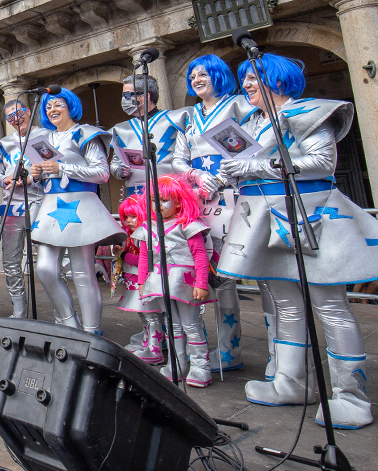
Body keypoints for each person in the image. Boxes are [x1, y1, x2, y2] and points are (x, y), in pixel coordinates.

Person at [216, 53, 376, 429]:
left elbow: (322, 162)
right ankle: (291, 383)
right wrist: (230, 173)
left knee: (330, 306)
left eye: (255, 77)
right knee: (285, 304)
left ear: (279, 78)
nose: (248, 85)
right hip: (261, 218)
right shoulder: (252, 122)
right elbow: (253, 167)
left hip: (311, 216)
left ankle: (351, 397)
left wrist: (252, 166)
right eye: (246, 80)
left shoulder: (308, 112)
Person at [171, 53, 262, 376]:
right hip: (201, 202)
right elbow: (178, 159)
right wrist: (196, 178)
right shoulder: (189, 115)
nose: (196, 79)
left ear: (219, 75)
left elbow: (254, 148)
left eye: (203, 73)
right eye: (192, 75)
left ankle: (281, 356)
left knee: (258, 271)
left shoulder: (239, 105)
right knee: (215, 275)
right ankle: (227, 347)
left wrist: (221, 178)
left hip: (238, 196)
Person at [29, 88, 124, 334]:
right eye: (48, 107)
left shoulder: (87, 133)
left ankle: (92, 332)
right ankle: (69, 322)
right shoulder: (44, 139)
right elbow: (45, 179)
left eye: (58, 104)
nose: (52, 110)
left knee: (82, 273)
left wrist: (62, 168)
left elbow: (102, 173)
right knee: (45, 268)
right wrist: (37, 175)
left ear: (70, 105)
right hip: (51, 207)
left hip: (81, 205)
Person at [136, 176, 214, 387]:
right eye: (153, 200)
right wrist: (142, 281)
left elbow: (200, 255)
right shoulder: (147, 227)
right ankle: (176, 364)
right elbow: (144, 256)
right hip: (160, 281)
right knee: (172, 325)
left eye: (163, 200)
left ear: (178, 201)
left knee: (191, 324)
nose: (157, 205)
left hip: (185, 281)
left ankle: (200, 367)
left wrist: (202, 283)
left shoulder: (188, 225)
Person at [0, 98, 45, 318]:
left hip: (41, 201)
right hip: (12, 205)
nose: (16, 120)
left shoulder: (45, 136)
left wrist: (30, 180)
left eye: (19, 114)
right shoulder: (5, 142)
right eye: (10, 118)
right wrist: (6, 179)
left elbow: (54, 168)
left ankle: (65, 314)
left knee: (48, 259)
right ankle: (19, 310)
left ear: (28, 112)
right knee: (10, 261)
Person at [109, 74, 189, 198]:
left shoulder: (175, 119)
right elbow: (115, 163)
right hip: (136, 194)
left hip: (170, 192)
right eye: (124, 95)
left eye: (128, 95)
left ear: (145, 96)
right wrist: (119, 170)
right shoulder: (119, 129)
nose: (125, 100)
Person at [113, 194, 166, 365]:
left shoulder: (142, 236)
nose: (128, 220)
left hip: (142, 282)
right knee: (145, 317)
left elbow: (143, 260)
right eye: (126, 217)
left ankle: (154, 348)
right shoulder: (133, 235)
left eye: (133, 216)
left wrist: (124, 255)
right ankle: (148, 343)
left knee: (151, 316)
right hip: (133, 283)